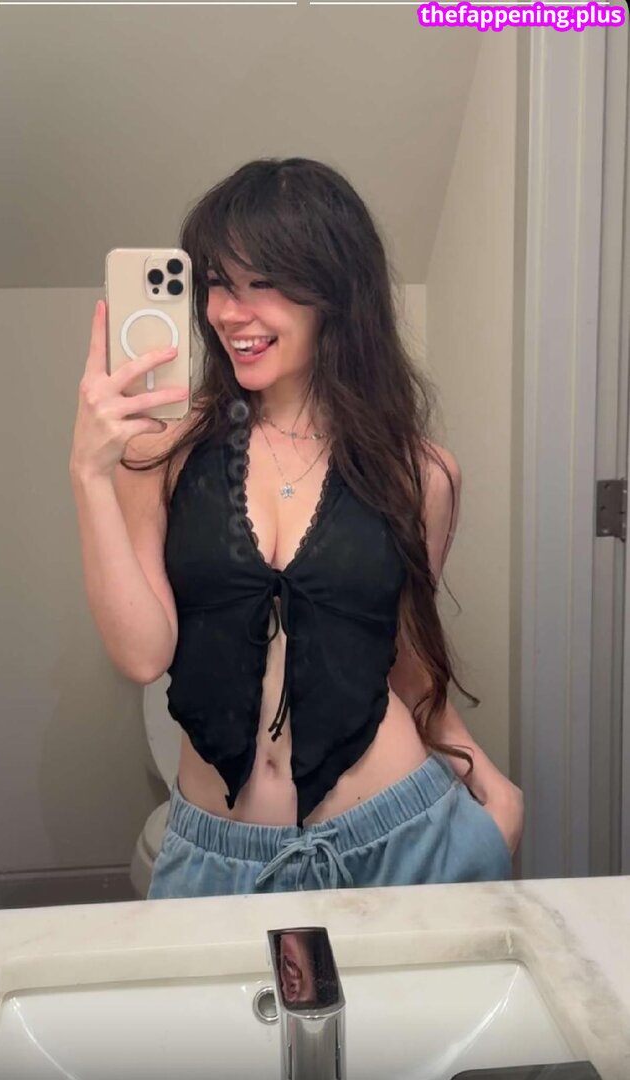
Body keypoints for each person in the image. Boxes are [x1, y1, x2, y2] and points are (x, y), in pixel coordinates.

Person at [69, 157, 524, 900]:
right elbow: (143, 655)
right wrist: (89, 473)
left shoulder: (420, 473)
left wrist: (487, 780)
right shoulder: (161, 454)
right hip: (218, 858)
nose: (228, 312)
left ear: (335, 292)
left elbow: (404, 660)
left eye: (263, 283)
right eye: (218, 283)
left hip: (402, 836)